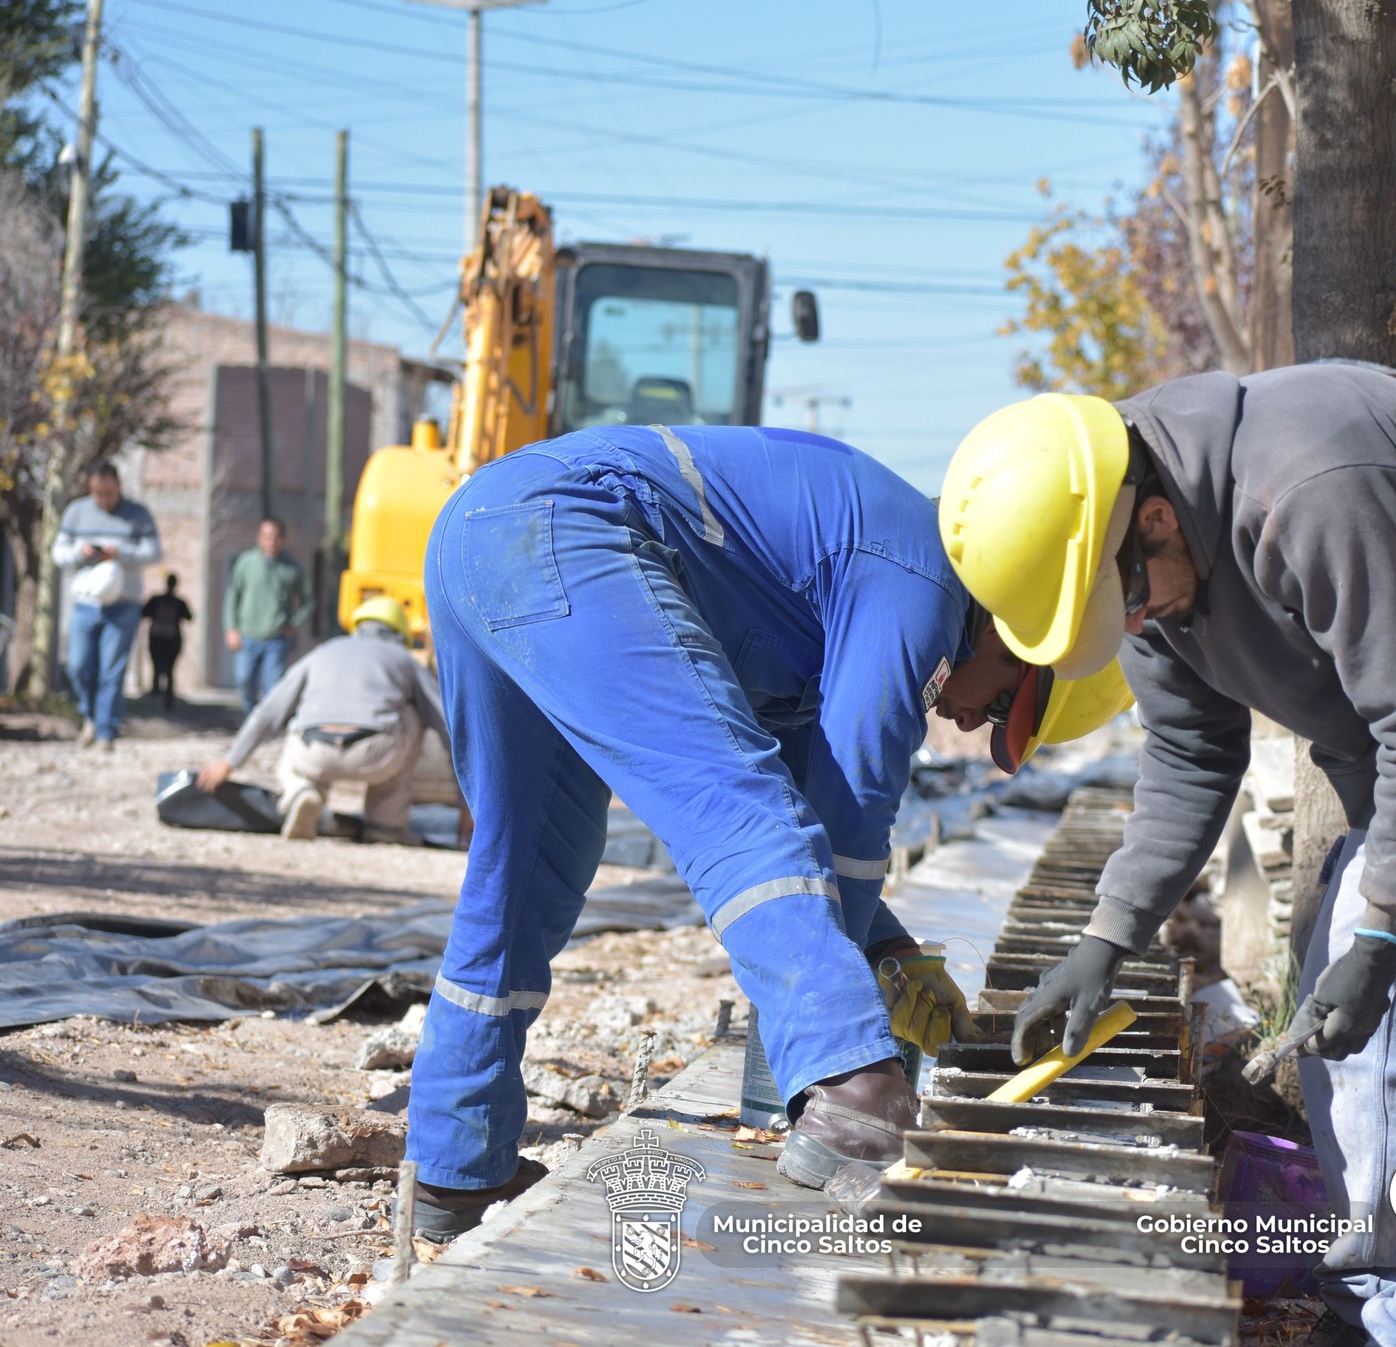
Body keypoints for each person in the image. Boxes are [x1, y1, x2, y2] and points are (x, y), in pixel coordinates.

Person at [939, 364, 1396, 1347]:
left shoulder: (1307, 487)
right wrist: (1106, 936)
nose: (1140, 629)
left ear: (1154, 520)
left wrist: (1388, 927)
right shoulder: (1130, 566)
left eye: (1134, 607)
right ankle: (1369, 1290)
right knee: (1350, 1017)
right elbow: (1191, 759)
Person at [404, 421, 1058, 1243]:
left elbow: (815, 808)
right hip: (572, 525)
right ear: (1010, 630)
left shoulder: (838, 585)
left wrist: (886, 949)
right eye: (1001, 702)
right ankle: (853, 1085)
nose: (970, 718)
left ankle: (459, 1161)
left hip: (480, 531)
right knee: (737, 803)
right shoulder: (920, 581)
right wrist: (851, 1038)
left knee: (530, 862)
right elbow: (848, 807)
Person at [196, 597, 448, 843]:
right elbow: (446, 723)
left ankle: (301, 790)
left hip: (314, 751)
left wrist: (229, 761)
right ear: (400, 633)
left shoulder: (322, 652)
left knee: (298, 723)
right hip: (375, 756)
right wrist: (470, 803)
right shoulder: (404, 659)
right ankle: (386, 824)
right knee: (414, 716)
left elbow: (269, 712)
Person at [53, 460, 162, 747]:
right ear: (90, 488)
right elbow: (58, 553)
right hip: (85, 603)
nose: (103, 500)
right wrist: (81, 552)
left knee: (112, 670)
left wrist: (121, 553)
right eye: (98, 494)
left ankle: (106, 731)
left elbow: (153, 553)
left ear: (119, 487)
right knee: (78, 665)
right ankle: (89, 716)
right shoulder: (76, 512)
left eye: (109, 494)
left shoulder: (138, 514)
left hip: (124, 605)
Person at [224, 515, 310, 712]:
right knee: (244, 680)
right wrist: (231, 628)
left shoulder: (292, 568)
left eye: (276, 537)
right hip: (248, 635)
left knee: (273, 688)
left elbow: (308, 602)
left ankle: (268, 727)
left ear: (284, 539)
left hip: (277, 638)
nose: (272, 541)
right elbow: (232, 597)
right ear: (259, 538)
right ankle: (251, 719)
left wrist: (294, 624)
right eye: (267, 536)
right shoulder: (246, 562)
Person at [140, 573, 193, 711]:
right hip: (167, 639)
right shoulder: (175, 602)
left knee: (162, 669)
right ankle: (162, 696)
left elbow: (144, 613)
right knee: (166, 670)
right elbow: (189, 617)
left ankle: (163, 697)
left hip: (162, 638)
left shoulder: (160, 600)